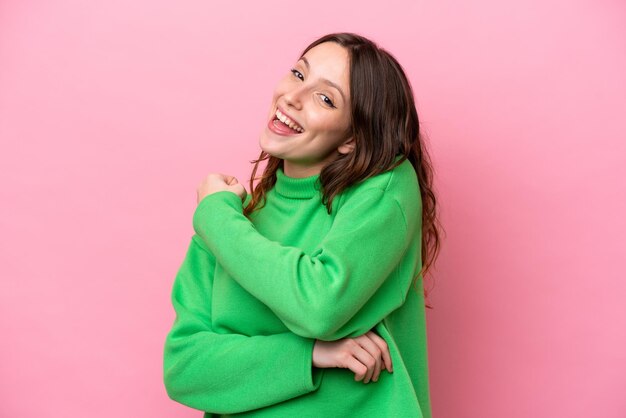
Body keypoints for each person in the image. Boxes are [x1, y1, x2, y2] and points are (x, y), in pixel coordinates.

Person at [163, 32, 442, 418]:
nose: (292, 97)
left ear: (352, 139)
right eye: (298, 74)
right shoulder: (230, 221)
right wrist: (310, 354)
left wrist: (214, 216)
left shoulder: (383, 189)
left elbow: (320, 305)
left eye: (324, 98)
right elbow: (184, 368)